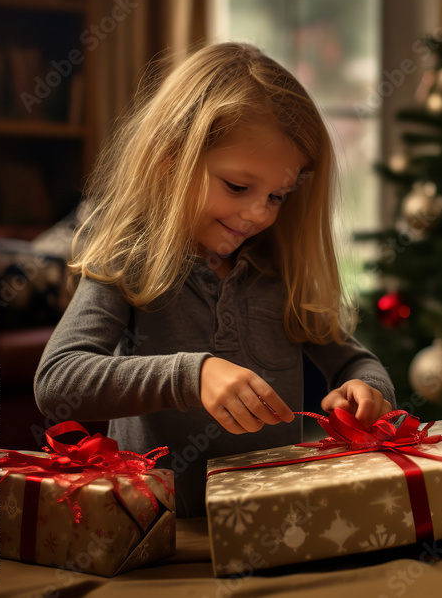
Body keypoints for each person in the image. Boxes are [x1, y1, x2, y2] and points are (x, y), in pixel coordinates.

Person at [35, 42, 395, 517]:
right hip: (163, 534)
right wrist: (192, 374)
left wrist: (367, 390)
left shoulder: (278, 268)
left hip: (273, 523)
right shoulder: (131, 259)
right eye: (239, 188)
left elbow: (356, 362)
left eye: (278, 196)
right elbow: (58, 381)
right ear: (170, 158)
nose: (258, 213)